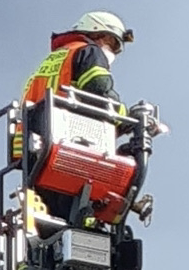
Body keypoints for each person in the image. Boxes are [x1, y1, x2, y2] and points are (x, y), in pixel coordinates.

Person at [17, 12, 136, 225]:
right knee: (79, 221)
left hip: (35, 156)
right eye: (113, 43)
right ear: (98, 33)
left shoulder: (51, 61)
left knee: (51, 223)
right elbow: (98, 89)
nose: (113, 52)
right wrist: (127, 119)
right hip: (68, 150)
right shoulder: (88, 51)